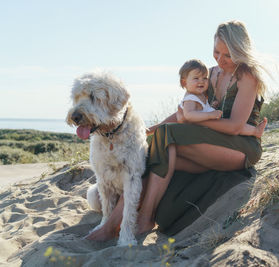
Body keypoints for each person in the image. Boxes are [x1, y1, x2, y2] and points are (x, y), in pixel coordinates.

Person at [86, 20, 268, 241]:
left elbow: (234, 126)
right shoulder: (209, 74)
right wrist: (152, 129)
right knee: (151, 151)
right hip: (209, 143)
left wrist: (193, 120)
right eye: (216, 52)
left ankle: (142, 219)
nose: (220, 60)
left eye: (227, 55)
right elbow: (185, 110)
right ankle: (116, 222)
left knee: (168, 136)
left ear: (240, 50)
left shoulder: (247, 76)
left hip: (241, 147)